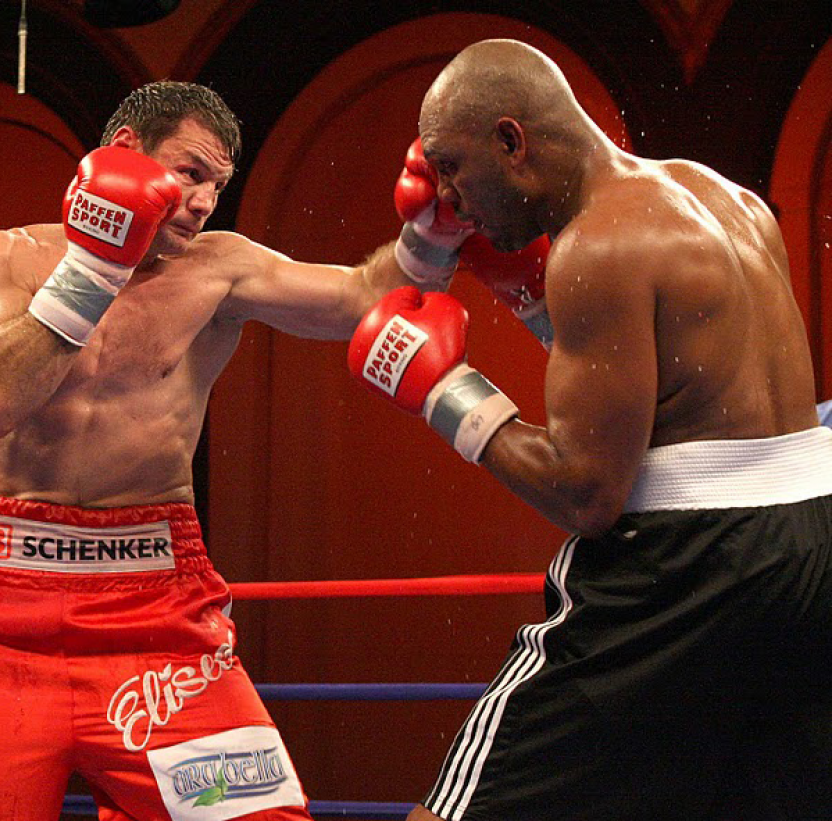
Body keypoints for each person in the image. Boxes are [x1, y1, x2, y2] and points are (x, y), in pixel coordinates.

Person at [0, 80, 507, 821]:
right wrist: (94, 267)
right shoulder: (7, 256)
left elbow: (363, 295)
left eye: (216, 187)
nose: (202, 202)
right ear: (125, 151)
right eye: (190, 173)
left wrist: (431, 233)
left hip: (158, 617)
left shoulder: (219, 268)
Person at [349, 39, 832, 820]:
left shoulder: (597, 244)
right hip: (809, 547)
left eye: (453, 167)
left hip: (683, 562)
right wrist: (532, 301)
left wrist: (443, 391)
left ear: (512, 141)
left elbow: (586, 492)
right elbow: (666, 383)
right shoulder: (722, 197)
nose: (450, 198)